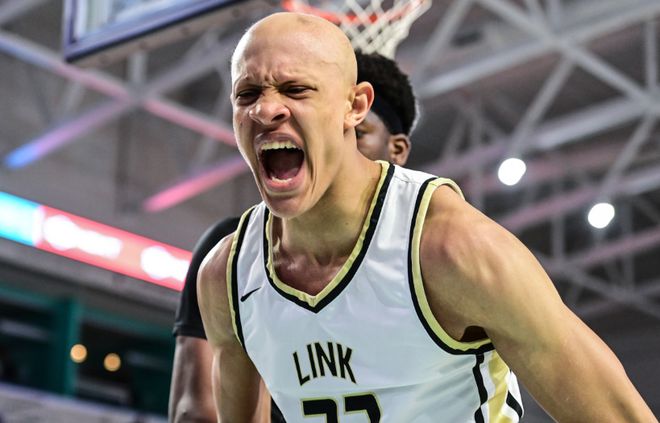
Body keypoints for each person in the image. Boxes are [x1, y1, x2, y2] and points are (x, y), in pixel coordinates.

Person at [198, 12, 657, 422]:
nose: (265, 109)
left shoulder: (453, 248)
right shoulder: (226, 277)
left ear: (355, 107)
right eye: (247, 93)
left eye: (295, 89)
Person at [168, 50, 416, 422]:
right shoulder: (232, 255)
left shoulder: (430, 248)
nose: (338, 142)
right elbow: (197, 409)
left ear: (396, 149)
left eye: (357, 132)